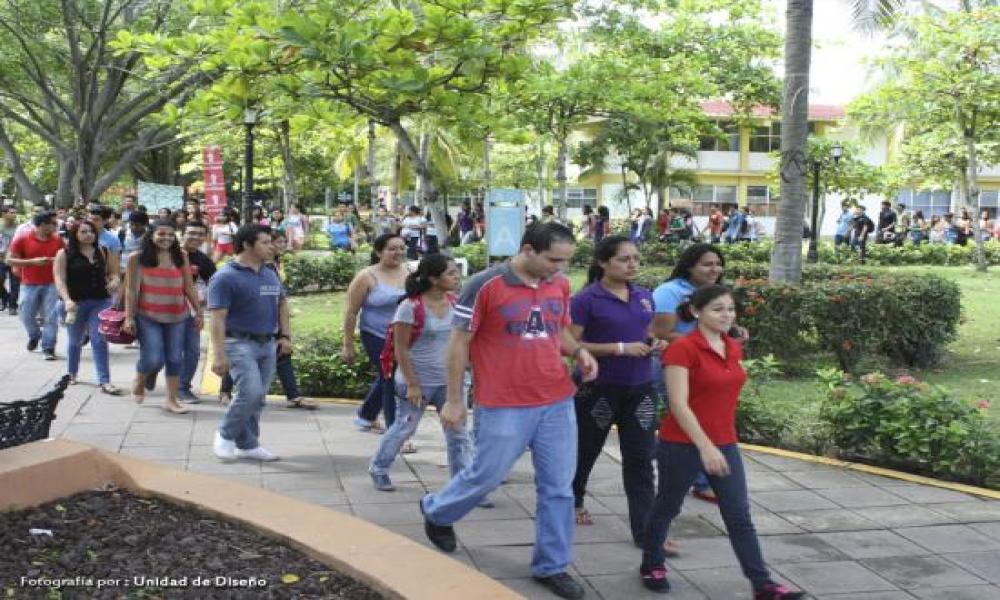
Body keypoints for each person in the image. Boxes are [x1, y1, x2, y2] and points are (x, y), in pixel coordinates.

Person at [419, 223, 598, 600]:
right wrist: (454, 399)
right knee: (486, 476)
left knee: (558, 488)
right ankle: (437, 511)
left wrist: (580, 351)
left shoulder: (559, 284)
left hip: (556, 399)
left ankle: (552, 565)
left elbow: (558, 330)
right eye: (554, 260)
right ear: (528, 250)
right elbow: (459, 343)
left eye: (565, 261)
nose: (560, 268)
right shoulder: (485, 285)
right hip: (502, 402)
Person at [639, 285, 806, 599]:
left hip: (725, 442)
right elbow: (678, 404)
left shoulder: (732, 346)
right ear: (695, 312)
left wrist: (717, 443)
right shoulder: (682, 349)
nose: (726, 315)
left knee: (738, 515)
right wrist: (705, 446)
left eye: (730, 309)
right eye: (717, 309)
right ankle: (652, 564)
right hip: (681, 443)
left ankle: (762, 584)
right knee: (668, 506)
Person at [569, 236, 679, 555]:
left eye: (635, 258)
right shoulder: (586, 299)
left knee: (641, 460)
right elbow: (570, 345)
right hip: (598, 389)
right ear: (603, 262)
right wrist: (619, 348)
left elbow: (646, 331)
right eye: (623, 259)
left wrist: (655, 342)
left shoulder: (644, 296)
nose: (632, 264)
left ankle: (646, 533)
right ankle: (573, 500)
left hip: (641, 390)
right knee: (585, 451)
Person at [368, 254, 471, 490]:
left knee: (458, 433)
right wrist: (412, 384)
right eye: (451, 273)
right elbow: (400, 349)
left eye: (456, 272)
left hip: (451, 382)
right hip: (417, 380)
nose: (457, 277)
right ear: (434, 279)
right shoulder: (410, 307)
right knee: (405, 427)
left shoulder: (456, 304)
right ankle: (379, 468)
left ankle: (462, 484)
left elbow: (465, 342)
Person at [209, 224, 292, 462]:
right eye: (265, 242)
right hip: (238, 342)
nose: (271, 247)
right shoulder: (225, 277)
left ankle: (248, 445)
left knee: (258, 397)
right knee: (250, 392)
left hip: (268, 343)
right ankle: (225, 434)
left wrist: (285, 336)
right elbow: (217, 318)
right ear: (246, 245)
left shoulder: (270, 272)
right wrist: (219, 355)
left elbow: (282, 304)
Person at [651, 243, 726, 504]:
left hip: (703, 367)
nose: (714, 269)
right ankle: (701, 481)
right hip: (671, 365)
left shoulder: (714, 292)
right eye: (707, 264)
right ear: (690, 266)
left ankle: (697, 478)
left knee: (695, 420)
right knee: (689, 420)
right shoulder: (670, 292)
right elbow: (660, 333)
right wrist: (702, 343)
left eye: (718, 264)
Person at [123, 219, 202, 414]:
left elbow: (188, 286)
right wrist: (129, 317)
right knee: (153, 358)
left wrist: (198, 311)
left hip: (178, 316)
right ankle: (140, 378)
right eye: (161, 234)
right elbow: (131, 290)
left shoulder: (181, 255)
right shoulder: (137, 257)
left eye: (170, 234)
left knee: (175, 358)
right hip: (147, 315)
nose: (166, 238)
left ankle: (171, 400)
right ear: (151, 235)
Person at [343, 233, 409, 433]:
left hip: (402, 336)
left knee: (387, 376)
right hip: (375, 335)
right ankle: (394, 431)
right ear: (379, 252)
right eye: (392, 249)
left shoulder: (409, 272)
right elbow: (351, 312)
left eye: (401, 248)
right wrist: (348, 344)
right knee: (390, 379)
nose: (398, 252)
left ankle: (366, 415)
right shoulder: (366, 276)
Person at [52, 221, 121, 394]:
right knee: (75, 340)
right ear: (75, 234)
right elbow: (59, 279)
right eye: (83, 231)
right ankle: (71, 373)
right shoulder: (64, 253)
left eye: (91, 231)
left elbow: (114, 272)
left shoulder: (104, 251)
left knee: (99, 340)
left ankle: (104, 381)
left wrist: (115, 280)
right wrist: (67, 300)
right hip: (75, 303)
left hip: (100, 301)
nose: (88, 234)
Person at [6, 212, 64, 359]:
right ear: (43, 224)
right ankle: (35, 335)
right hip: (29, 283)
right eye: (53, 223)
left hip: (52, 283)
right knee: (25, 314)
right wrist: (32, 262)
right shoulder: (22, 238)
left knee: (50, 317)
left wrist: (55, 260)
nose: (56, 226)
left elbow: (66, 257)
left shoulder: (57, 240)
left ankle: (49, 347)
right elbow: (9, 260)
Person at [177, 220, 216, 403]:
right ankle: (150, 370)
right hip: (160, 309)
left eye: (200, 234)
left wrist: (205, 300)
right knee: (157, 354)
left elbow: (215, 284)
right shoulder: (165, 254)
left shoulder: (203, 260)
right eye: (191, 233)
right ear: (182, 233)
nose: (196, 237)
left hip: (190, 311)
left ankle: (182, 387)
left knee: (192, 352)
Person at [1, 207, 19, 314]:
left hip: (14, 258)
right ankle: (6, 297)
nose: (14, 215)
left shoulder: (19, 228)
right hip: (1, 258)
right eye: (11, 213)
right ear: (5, 214)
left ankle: (13, 306)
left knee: (15, 284)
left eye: (15, 213)